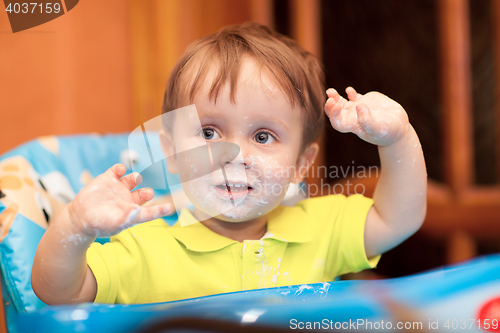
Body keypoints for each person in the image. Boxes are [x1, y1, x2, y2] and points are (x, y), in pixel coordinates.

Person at [31, 23, 427, 305]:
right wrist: (75, 226)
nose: (235, 156)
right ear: (171, 151)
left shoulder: (323, 229)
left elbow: (399, 219)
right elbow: (59, 293)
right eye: (208, 133)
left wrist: (398, 138)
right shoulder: (145, 252)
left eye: (262, 137)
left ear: (300, 165)